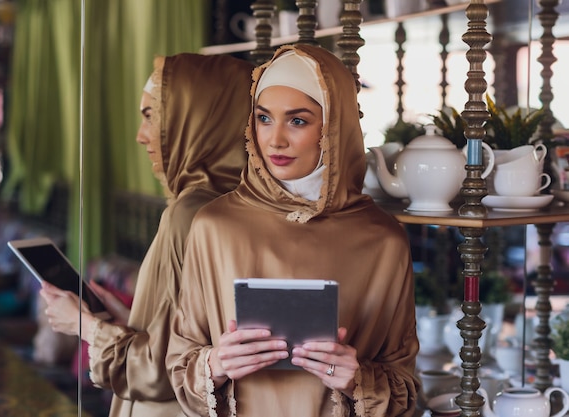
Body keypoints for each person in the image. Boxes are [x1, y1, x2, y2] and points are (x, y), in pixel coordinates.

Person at [166, 44, 420, 417]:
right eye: (264, 118)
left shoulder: (383, 240)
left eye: (298, 121)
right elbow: (179, 364)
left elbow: (406, 389)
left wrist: (357, 379)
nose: (275, 139)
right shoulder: (213, 226)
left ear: (334, 126)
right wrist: (217, 364)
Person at [39, 52, 255, 417]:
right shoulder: (241, 206)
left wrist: (87, 327)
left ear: (196, 121)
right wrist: (130, 319)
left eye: (153, 116)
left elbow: (160, 371)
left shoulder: (191, 213)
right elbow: (191, 341)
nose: (141, 136)